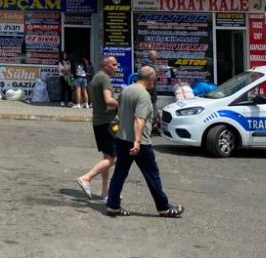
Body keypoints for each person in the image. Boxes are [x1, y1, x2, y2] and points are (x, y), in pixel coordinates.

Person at [105, 65, 185, 218]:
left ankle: (113, 206)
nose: (155, 80)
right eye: (155, 77)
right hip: (140, 142)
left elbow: (120, 113)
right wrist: (137, 142)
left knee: (119, 174)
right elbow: (139, 119)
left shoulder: (127, 90)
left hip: (122, 138)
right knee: (152, 175)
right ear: (150, 78)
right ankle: (164, 208)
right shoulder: (143, 95)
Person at [76, 56, 120, 199]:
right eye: (113, 64)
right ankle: (86, 178)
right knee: (113, 158)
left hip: (99, 122)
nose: (116, 67)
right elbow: (108, 100)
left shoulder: (97, 78)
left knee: (107, 157)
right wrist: (122, 103)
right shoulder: (104, 78)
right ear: (105, 65)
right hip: (107, 123)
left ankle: (105, 193)